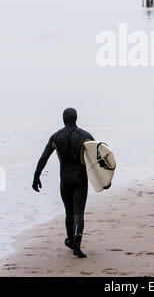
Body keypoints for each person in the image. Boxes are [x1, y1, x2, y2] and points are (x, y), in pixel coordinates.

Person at [32, 108, 94, 258]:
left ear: (63, 119)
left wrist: (36, 176)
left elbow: (44, 157)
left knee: (69, 212)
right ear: (76, 118)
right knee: (79, 213)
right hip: (80, 179)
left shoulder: (56, 137)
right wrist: (105, 180)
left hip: (65, 180)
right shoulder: (85, 136)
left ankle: (71, 241)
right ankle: (77, 246)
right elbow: (98, 157)